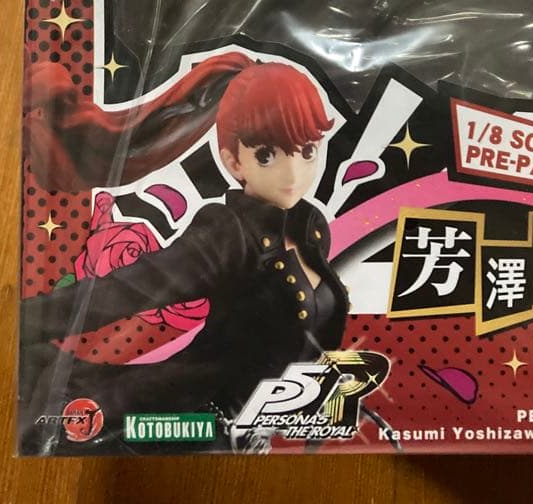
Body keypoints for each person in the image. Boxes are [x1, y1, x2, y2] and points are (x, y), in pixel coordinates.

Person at [19, 54, 349, 453]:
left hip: (263, 433)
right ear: (233, 160)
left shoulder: (310, 228)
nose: (293, 174)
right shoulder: (229, 236)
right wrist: (19, 322)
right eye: (267, 155)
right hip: (201, 427)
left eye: (307, 150)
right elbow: (126, 291)